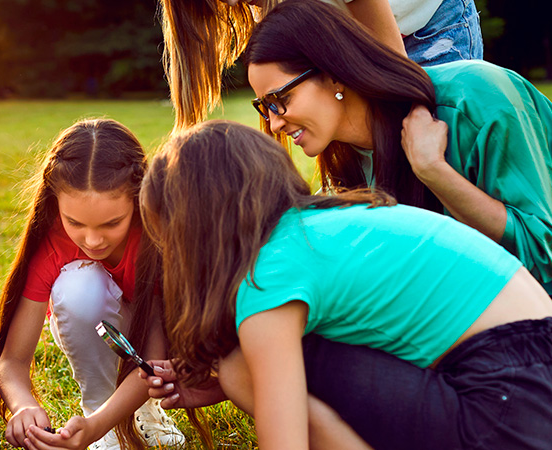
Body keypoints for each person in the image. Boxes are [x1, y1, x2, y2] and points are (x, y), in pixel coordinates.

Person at [140, 119, 552, 449]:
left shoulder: (267, 275)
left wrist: (238, 383)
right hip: (532, 376)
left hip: (506, 404)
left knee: (239, 366)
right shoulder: (320, 227)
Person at [244, 0, 552, 294]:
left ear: (332, 74)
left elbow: (542, 257)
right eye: (264, 107)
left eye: (280, 100)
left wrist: (435, 171)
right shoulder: (346, 165)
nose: (274, 125)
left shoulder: (478, 97)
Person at [0, 119, 185, 450]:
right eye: (75, 222)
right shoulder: (51, 241)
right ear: (55, 204)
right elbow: (11, 362)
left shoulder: (155, 236)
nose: (92, 240)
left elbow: (154, 358)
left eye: (112, 223)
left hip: (158, 346)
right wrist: (23, 406)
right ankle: (100, 408)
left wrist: (94, 428)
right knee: (79, 289)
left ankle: (143, 413)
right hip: (94, 325)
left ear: (138, 200)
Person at [159, 0, 483, 130]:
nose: (231, 4)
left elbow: (398, 78)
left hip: (427, 20)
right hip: (362, 36)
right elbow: (305, 97)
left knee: (436, 134)